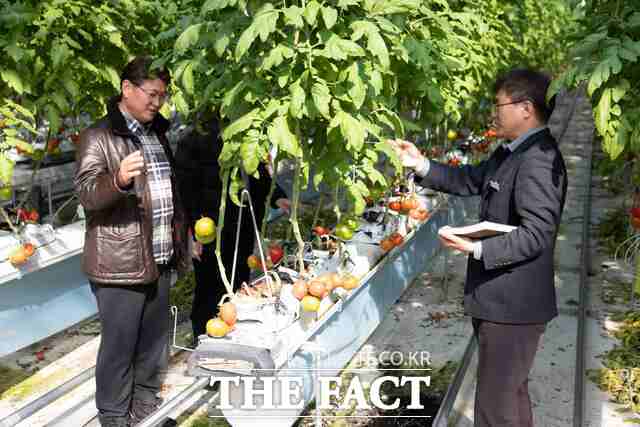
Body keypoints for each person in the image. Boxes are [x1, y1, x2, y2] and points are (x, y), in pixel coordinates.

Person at [390, 69, 567, 426]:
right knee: (509, 397)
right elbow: (471, 180)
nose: (493, 113)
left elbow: (537, 234)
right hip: (502, 301)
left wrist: (476, 249)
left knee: (493, 408)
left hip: (513, 306)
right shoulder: (514, 153)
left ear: (525, 108)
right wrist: (420, 164)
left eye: (498, 104)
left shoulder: (539, 160)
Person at [74, 56, 188, 427]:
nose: (158, 103)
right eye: (152, 94)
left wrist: (184, 237)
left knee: (154, 346)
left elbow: (170, 192)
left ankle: (144, 410)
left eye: (162, 96)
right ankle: (113, 418)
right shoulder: (98, 136)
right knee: (119, 349)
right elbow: (89, 196)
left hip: (159, 256)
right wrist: (118, 180)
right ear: (127, 89)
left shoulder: (156, 134)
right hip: (119, 263)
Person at [174, 113, 289, 342]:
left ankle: (237, 338)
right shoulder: (194, 139)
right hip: (210, 230)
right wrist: (193, 230)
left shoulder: (248, 134)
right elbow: (185, 189)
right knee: (209, 288)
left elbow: (258, 175)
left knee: (239, 283)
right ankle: (205, 343)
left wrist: (277, 196)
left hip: (242, 223)